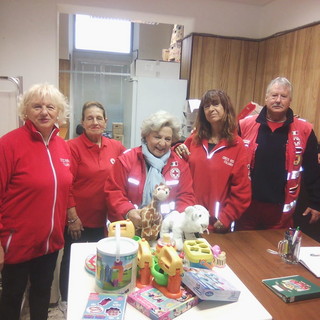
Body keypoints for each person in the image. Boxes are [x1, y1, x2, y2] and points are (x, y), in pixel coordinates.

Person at [0, 83, 73, 320]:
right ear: (26, 111)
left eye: (51, 107)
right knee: (12, 299)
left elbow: (65, 188)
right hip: (16, 242)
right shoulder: (9, 144)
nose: (45, 112)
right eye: (37, 106)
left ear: (58, 112)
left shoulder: (62, 146)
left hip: (49, 242)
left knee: (42, 296)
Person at [58, 101, 125, 315]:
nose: (95, 122)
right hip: (79, 220)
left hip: (105, 221)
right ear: (82, 122)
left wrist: (175, 146)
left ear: (106, 121)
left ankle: (95, 303)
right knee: (72, 261)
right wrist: (72, 217)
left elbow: (136, 160)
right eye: (90, 118)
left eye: (99, 118)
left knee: (99, 265)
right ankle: (68, 301)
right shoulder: (72, 147)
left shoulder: (115, 146)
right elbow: (66, 185)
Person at [236, 77, 320, 230]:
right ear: (266, 98)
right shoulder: (244, 125)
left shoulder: (304, 130)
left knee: (275, 252)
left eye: (283, 96)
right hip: (247, 208)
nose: (278, 100)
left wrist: (316, 203)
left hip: (281, 214)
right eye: (274, 95)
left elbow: (313, 170)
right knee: (244, 250)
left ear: (290, 100)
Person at [175, 90, 251, 233]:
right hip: (189, 219)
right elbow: (179, 171)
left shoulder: (237, 145)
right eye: (206, 106)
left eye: (216, 104)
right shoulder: (194, 139)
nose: (211, 109)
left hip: (216, 224)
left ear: (225, 108)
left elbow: (242, 191)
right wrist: (177, 149)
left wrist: (226, 217)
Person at [105, 110, 195, 229]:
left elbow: (186, 197)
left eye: (167, 139)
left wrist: (174, 219)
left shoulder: (180, 165)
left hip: (167, 230)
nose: (162, 143)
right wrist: (129, 211)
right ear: (146, 136)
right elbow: (114, 192)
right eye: (157, 137)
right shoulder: (126, 160)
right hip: (131, 228)